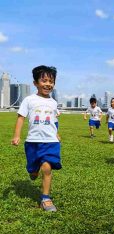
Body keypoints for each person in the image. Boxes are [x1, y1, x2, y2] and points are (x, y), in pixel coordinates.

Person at [11, 65, 61, 212]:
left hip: (51, 141)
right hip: (32, 141)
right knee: (34, 170)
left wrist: (56, 133)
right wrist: (17, 135)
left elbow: (54, 120)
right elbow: (21, 118)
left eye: (51, 81)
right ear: (35, 83)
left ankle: (45, 198)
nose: (48, 84)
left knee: (47, 167)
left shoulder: (53, 102)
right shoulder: (29, 100)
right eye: (44, 80)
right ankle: (33, 170)